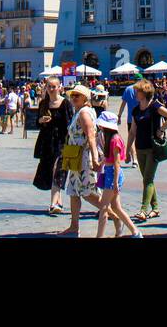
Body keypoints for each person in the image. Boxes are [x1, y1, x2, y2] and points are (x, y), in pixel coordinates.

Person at [58, 83, 103, 237]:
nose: (73, 97)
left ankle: (112, 212)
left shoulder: (84, 112)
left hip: (83, 157)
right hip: (74, 157)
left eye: (77, 95)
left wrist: (94, 158)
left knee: (86, 192)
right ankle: (74, 226)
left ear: (85, 98)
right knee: (73, 191)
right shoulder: (80, 111)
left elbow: (91, 136)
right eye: (72, 95)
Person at [127, 79, 167, 224]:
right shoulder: (136, 110)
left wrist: (161, 129)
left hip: (153, 148)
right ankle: (155, 207)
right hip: (140, 148)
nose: (135, 93)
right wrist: (129, 148)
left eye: (137, 91)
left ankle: (143, 209)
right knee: (148, 179)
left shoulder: (155, 106)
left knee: (147, 179)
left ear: (144, 92)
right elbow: (132, 131)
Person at [93, 112, 140, 238]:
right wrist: (100, 164)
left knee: (103, 207)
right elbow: (109, 158)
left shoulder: (115, 139)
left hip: (113, 173)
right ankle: (135, 232)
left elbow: (117, 162)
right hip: (110, 172)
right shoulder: (109, 138)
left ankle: (99, 236)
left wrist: (114, 182)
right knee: (116, 207)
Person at [33, 76, 72, 215]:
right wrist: (41, 120)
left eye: (54, 86)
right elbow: (37, 123)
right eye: (49, 86)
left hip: (61, 141)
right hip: (47, 141)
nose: (51, 89)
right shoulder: (43, 103)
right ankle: (59, 203)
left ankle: (53, 203)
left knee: (58, 169)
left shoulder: (65, 103)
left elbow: (70, 123)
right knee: (52, 170)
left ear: (59, 87)